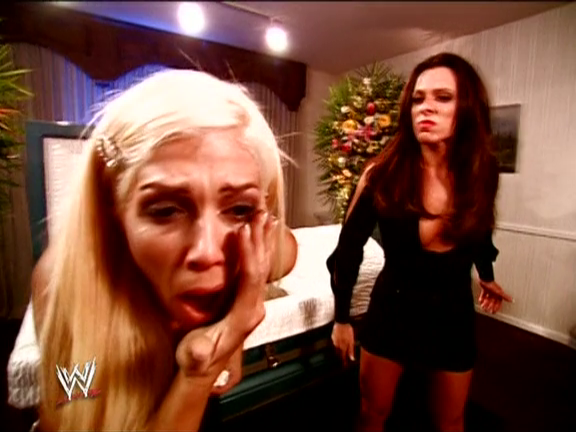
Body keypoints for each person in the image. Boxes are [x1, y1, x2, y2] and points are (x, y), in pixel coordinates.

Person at [30, 69, 298, 431]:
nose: (207, 252)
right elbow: (72, 413)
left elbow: (286, 250)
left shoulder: (252, 242)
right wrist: (200, 371)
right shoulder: (63, 285)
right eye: (166, 210)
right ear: (114, 209)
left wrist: (239, 310)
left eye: (238, 209)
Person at [328, 52, 513, 432]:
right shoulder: (382, 175)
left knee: (451, 421)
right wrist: (342, 318)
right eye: (418, 99)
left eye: (442, 97)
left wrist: (486, 274)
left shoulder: (482, 172)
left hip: (453, 314)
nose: (425, 107)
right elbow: (347, 251)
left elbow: (481, 229)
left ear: (467, 108)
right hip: (393, 310)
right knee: (372, 413)